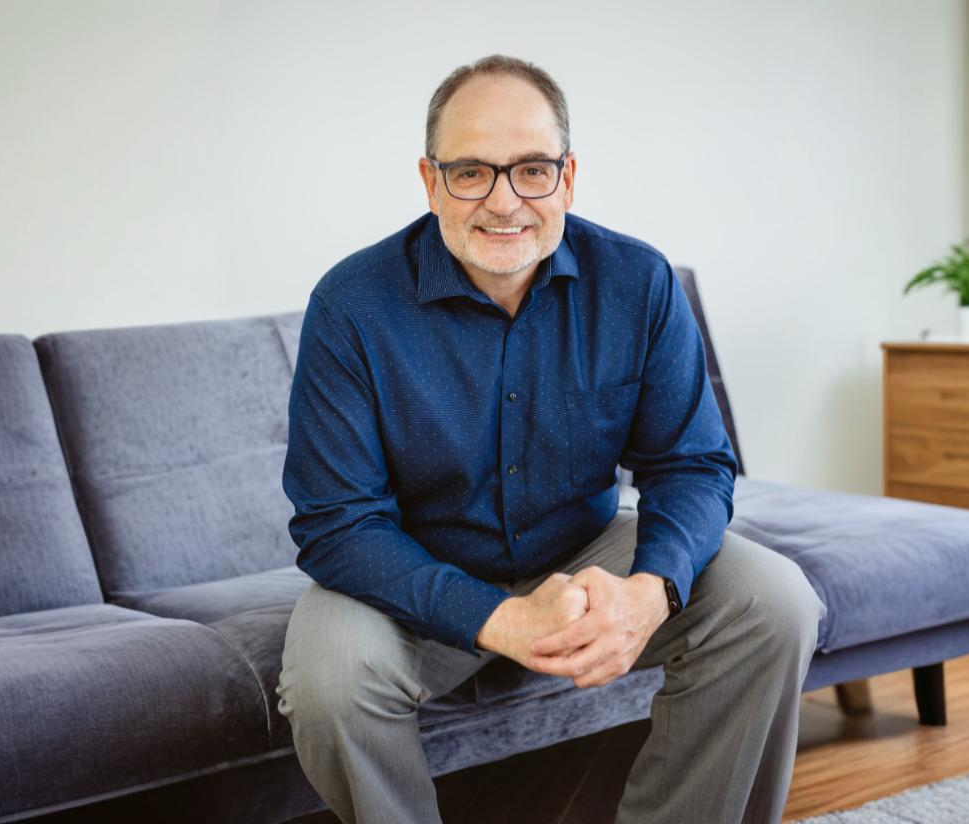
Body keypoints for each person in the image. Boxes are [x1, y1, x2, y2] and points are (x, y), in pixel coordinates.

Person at [276, 54, 826, 824]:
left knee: (776, 603)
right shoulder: (351, 304)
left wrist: (649, 590)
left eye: (532, 170)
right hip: (412, 571)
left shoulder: (638, 282)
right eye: (470, 172)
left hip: (582, 553)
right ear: (431, 182)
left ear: (567, 179)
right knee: (329, 678)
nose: (504, 202)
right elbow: (337, 522)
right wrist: (502, 619)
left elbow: (694, 465)